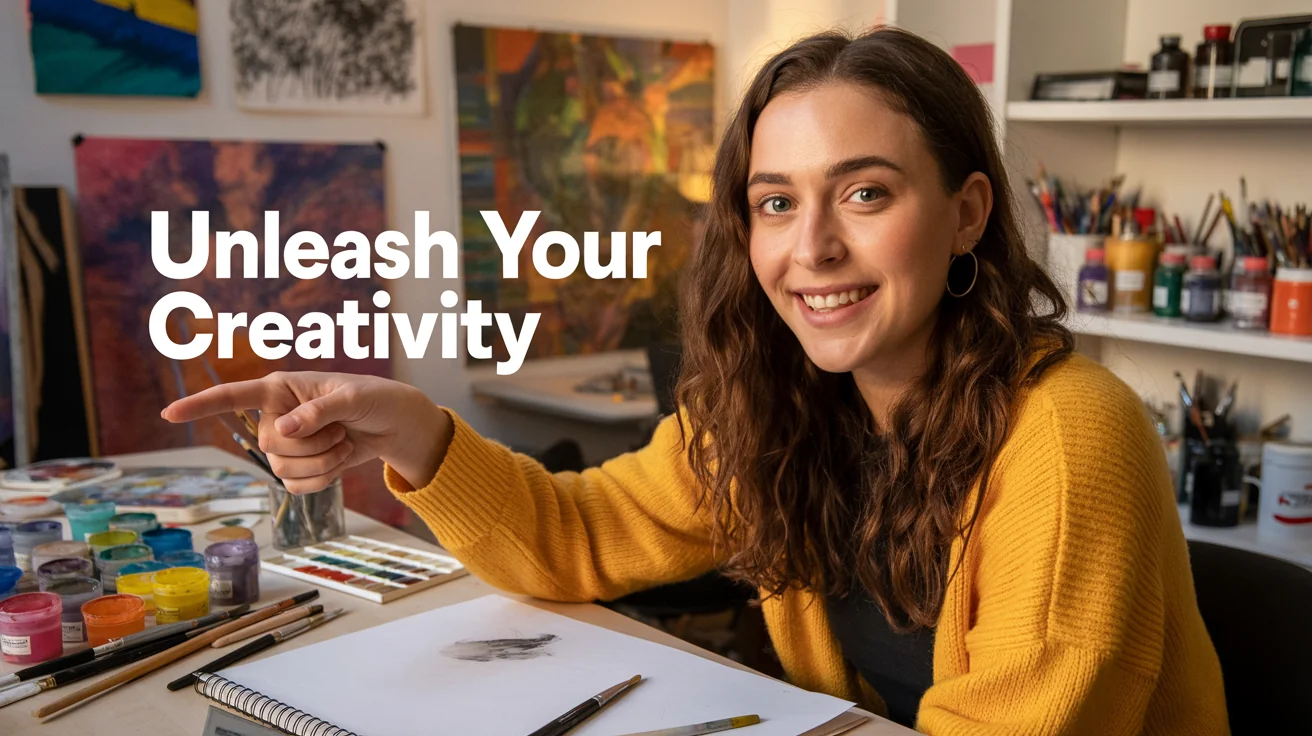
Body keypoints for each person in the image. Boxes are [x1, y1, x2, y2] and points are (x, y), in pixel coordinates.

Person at [164, 27, 1228, 733]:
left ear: (965, 213)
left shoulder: (1069, 434)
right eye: (774, 202)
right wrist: (414, 434)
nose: (807, 247)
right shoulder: (776, 413)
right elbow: (573, 537)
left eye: (863, 192)